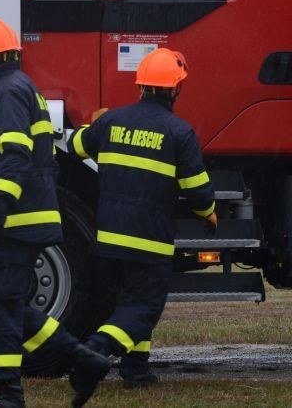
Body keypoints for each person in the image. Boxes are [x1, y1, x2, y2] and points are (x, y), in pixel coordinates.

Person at [0, 17, 110, 408]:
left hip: (14, 222)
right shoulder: (22, 88)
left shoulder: (7, 93)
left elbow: (15, 158)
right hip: (25, 220)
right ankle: (82, 360)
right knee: (3, 303)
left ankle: (10, 395)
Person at [66, 47, 216, 390]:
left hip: (109, 239)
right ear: (176, 88)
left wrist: (95, 123)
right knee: (143, 309)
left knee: (129, 303)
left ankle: (135, 370)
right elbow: (198, 193)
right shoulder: (180, 133)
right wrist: (209, 214)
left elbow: (76, 146)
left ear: (141, 86)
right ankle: (94, 350)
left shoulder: (112, 121)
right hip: (149, 242)